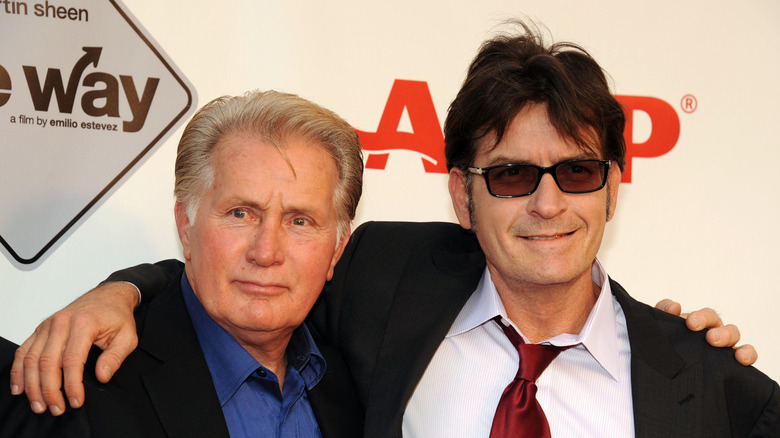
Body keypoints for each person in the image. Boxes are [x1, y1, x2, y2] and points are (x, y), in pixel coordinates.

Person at [8, 21, 778, 437]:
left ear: (613, 186)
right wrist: (124, 291)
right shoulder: (386, 283)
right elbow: (251, 285)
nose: (547, 204)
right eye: (510, 174)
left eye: (576, 171)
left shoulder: (707, 382)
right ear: (461, 195)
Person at [0, 90, 365, 437]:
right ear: (186, 224)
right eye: (241, 213)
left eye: (299, 221)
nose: (266, 252)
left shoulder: (365, 378)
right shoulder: (78, 387)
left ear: (337, 248)